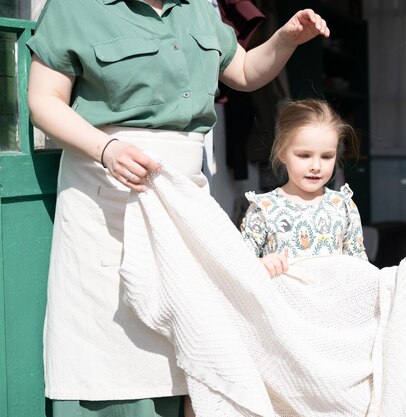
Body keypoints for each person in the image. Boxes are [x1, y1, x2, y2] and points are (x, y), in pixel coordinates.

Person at [26, 0, 329, 415]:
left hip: (186, 200)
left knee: (196, 351)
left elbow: (241, 71)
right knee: (110, 351)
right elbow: (44, 101)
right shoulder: (74, 7)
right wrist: (106, 149)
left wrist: (286, 39)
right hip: (106, 194)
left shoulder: (200, 7)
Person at [240, 99, 368, 277]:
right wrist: (261, 264)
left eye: (326, 156)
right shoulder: (263, 209)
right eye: (304, 155)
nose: (316, 165)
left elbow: (360, 268)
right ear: (282, 152)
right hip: (282, 304)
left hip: (332, 303)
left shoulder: (343, 206)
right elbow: (241, 267)